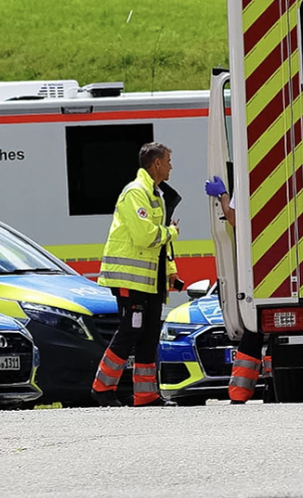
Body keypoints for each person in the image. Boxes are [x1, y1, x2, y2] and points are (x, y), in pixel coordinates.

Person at [91, 142, 180, 407]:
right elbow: (146, 236)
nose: (170, 166)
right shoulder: (136, 192)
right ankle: (102, 388)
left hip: (149, 279)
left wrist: (171, 269)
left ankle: (146, 394)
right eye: (168, 161)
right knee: (131, 330)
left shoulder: (154, 194)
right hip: (130, 279)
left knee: (149, 332)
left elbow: (158, 239)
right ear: (156, 165)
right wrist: (172, 232)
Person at [204, 175, 269, 404]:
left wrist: (222, 195)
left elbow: (233, 217)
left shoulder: (248, 173)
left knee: (254, 328)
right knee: (276, 329)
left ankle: (239, 393)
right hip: (285, 263)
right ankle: (274, 385)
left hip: (257, 264)